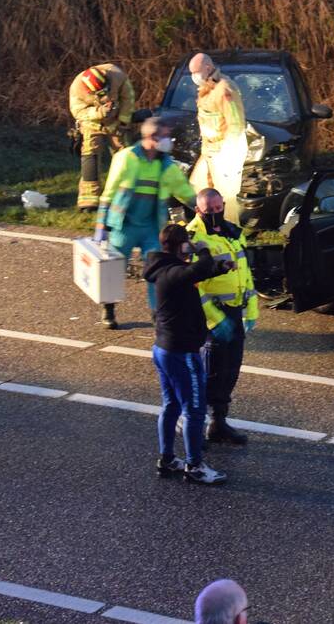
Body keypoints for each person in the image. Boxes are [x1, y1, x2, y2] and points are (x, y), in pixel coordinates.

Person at [143, 224, 231, 486]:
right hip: (181, 353)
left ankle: (167, 459)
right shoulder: (173, 272)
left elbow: (194, 273)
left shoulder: (164, 269)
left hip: (164, 349)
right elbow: (195, 269)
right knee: (194, 410)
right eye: (187, 243)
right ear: (182, 246)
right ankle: (194, 466)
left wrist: (219, 267)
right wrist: (202, 250)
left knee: (171, 405)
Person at [94, 117, 197, 329]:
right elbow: (109, 191)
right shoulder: (126, 158)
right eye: (165, 136)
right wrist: (101, 224)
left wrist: (203, 206)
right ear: (151, 137)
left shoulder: (166, 165)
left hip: (152, 227)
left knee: (157, 271)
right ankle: (108, 308)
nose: (169, 140)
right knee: (114, 269)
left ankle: (158, 313)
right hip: (124, 224)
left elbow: (183, 190)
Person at [185, 188, 258, 445]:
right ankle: (191, 424)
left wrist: (251, 310)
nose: (216, 213)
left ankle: (218, 423)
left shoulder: (232, 232)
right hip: (212, 317)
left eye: (219, 208)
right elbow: (194, 285)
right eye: (210, 210)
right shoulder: (194, 239)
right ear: (198, 210)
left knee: (230, 370)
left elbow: (245, 273)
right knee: (210, 373)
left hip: (234, 312)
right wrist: (215, 319)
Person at [187, 52, 248, 225]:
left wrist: (226, 155)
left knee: (224, 197)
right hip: (210, 150)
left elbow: (236, 124)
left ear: (208, 68)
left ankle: (230, 230)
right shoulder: (206, 89)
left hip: (226, 151)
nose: (194, 77)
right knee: (199, 187)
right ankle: (207, 227)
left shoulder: (224, 89)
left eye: (196, 72)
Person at [68, 64, 137, 211]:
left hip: (116, 122)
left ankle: (126, 194)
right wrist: (99, 112)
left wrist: (124, 120)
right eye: (100, 93)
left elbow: (128, 98)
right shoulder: (77, 88)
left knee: (124, 155)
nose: (104, 96)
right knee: (90, 155)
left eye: (106, 90)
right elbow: (78, 112)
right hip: (91, 124)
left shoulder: (118, 76)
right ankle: (89, 199)